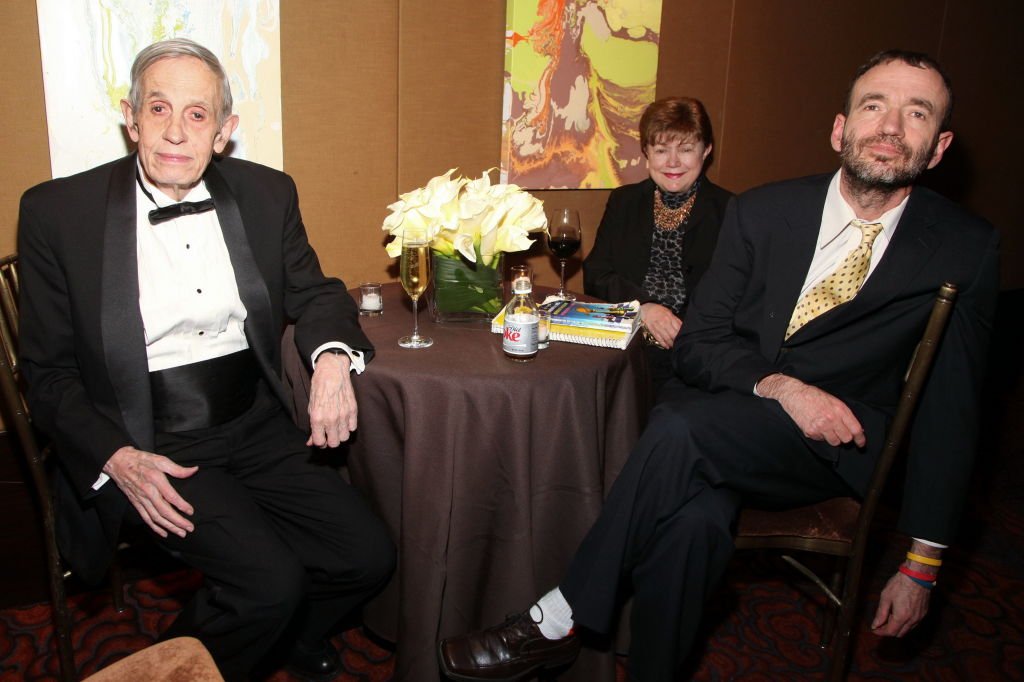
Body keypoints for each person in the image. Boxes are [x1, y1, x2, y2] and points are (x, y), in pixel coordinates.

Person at [439, 49, 999, 681]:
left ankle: (558, 614)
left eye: (916, 112)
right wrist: (781, 386)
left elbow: (953, 411)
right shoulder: (764, 211)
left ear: (940, 143)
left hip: (832, 445)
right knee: (691, 524)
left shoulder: (965, 248)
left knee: (677, 430)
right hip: (726, 415)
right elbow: (701, 341)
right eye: (874, 105)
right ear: (841, 128)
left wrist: (923, 561)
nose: (891, 125)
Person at [18, 38, 395, 681]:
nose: (174, 132)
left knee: (365, 556)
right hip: (149, 437)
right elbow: (47, 376)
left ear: (224, 132)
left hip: (254, 419)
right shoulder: (58, 213)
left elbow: (317, 292)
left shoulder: (266, 193)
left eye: (197, 115)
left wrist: (332, 360)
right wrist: (118, 456)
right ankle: (215, 649)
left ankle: (253, 637)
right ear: (130, 117)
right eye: (158, 109)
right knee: (269, 583)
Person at [584, 97, 732, 394]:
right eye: (662, 150)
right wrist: (645, 307)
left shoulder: (731, 210)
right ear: (646, 154)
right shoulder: (623, 201)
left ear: (707, 151)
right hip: (625, 347)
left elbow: (733, 297)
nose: (673, 162)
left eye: (686, 149)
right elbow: (595, 274)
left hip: (692, 357)